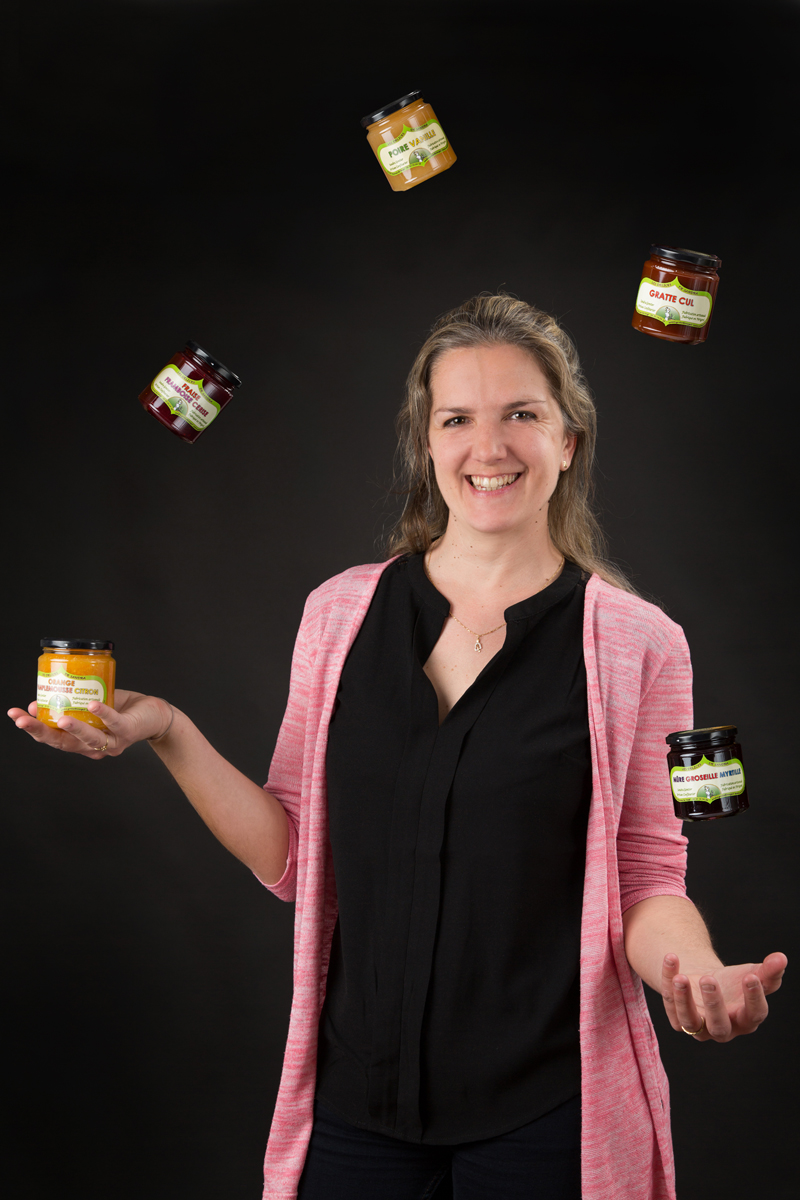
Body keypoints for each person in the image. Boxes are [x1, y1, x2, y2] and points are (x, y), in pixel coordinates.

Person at [9, 294, 787, 1200]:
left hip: (547, 1112)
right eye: (457, 419)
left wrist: (697, 974)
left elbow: (648, 873)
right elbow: (294, 853)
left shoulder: (642, 643)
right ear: (426, 440)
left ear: (568, 441)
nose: (488, 447)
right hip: (355, 1105)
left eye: (521, 415)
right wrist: (169, 731)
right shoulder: (338, 614)